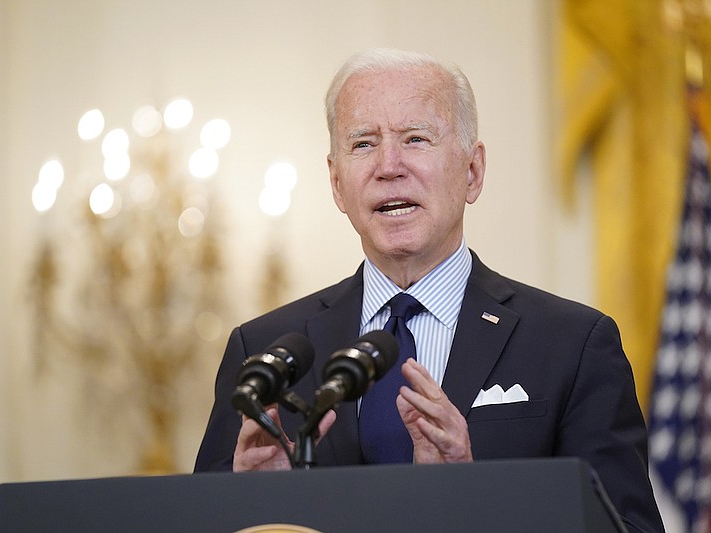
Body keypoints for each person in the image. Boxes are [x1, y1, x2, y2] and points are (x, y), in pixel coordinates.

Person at [195, 48, 664, 532]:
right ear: (336, 183)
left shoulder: (574, 345)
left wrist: (469, 500)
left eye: (416, 139)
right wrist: (253, 506)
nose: (388, 166)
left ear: (472, 172)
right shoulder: (264, 354)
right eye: (363, 145)